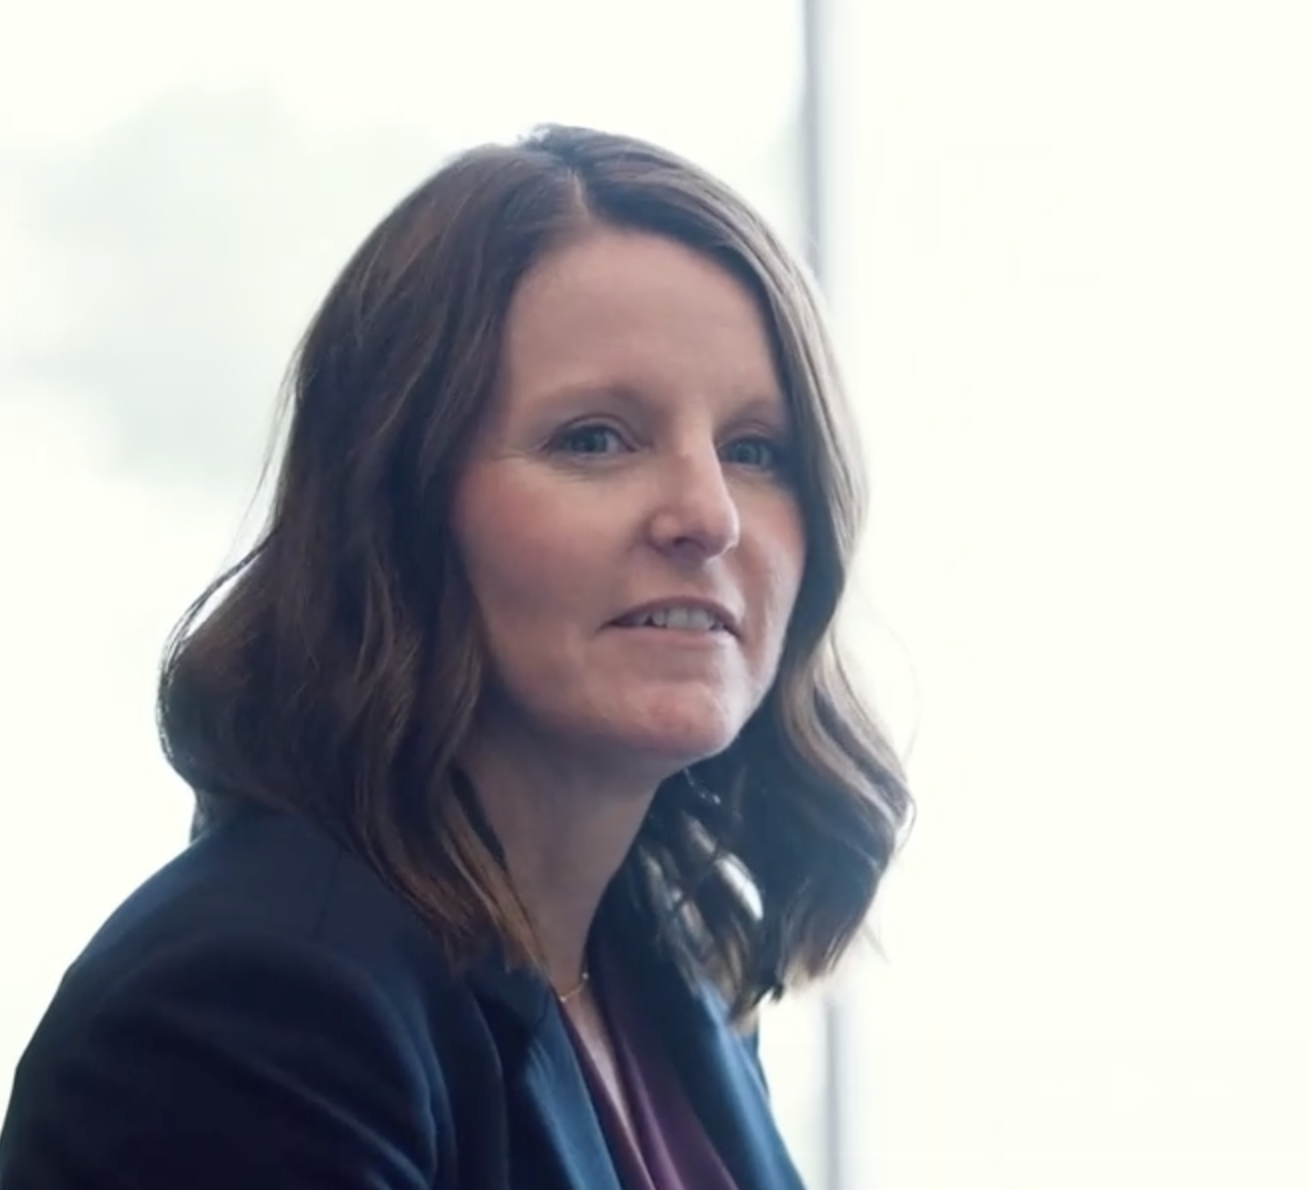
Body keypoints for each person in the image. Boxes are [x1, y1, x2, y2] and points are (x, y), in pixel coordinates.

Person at [0, 124, 913, 1190]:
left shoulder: (656, 964)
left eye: (755, 450)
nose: (708, 515)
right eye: (595, 438)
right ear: (399, 501)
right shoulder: (249, 1009)